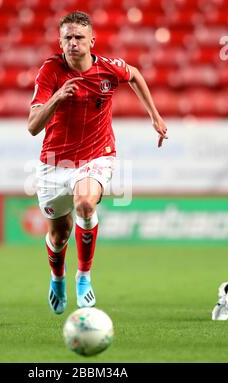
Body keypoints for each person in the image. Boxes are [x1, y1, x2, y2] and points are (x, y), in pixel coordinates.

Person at [27, 11, 168, 315]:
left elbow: (134, 75)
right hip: (54, 162)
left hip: (97, 155)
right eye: (68, 38)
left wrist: (154, 115)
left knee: (86, 206)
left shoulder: (108, 68)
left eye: (79, 37)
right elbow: (32, 126)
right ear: (60, 42)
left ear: (92, 40)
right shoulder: (50, 71)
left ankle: (83, 276)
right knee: (58, 234)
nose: (73, 43)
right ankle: (57, 278)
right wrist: (57, 98)